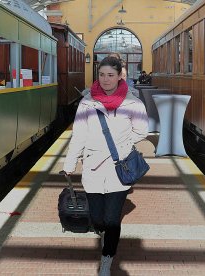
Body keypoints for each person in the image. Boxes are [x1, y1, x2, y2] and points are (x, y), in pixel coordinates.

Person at [63, 57, 148, 276]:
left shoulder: (133, 103)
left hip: (119, 169)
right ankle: (102, 234)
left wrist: (123, 145)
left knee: (111, 220)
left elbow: (142, 131)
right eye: (102, 75)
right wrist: (70, 161)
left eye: (111, 75)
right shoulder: (87, 102)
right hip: (92, 166)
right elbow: (79, 135)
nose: (106, 79)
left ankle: (107, 259)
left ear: (120, 75)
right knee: (97, 218)